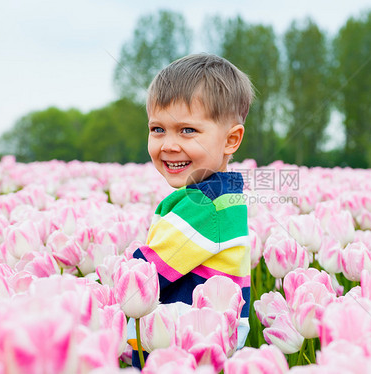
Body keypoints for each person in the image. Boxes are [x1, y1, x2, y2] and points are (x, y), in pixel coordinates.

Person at [127, 53, 254, 368]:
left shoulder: (205, 206)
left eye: (187, 131)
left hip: (183, 348)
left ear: (231, 140)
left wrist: (93, 298)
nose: (169, 144)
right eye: (158, 129)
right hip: (199, 343)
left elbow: (148, 276)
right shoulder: (220, 196)